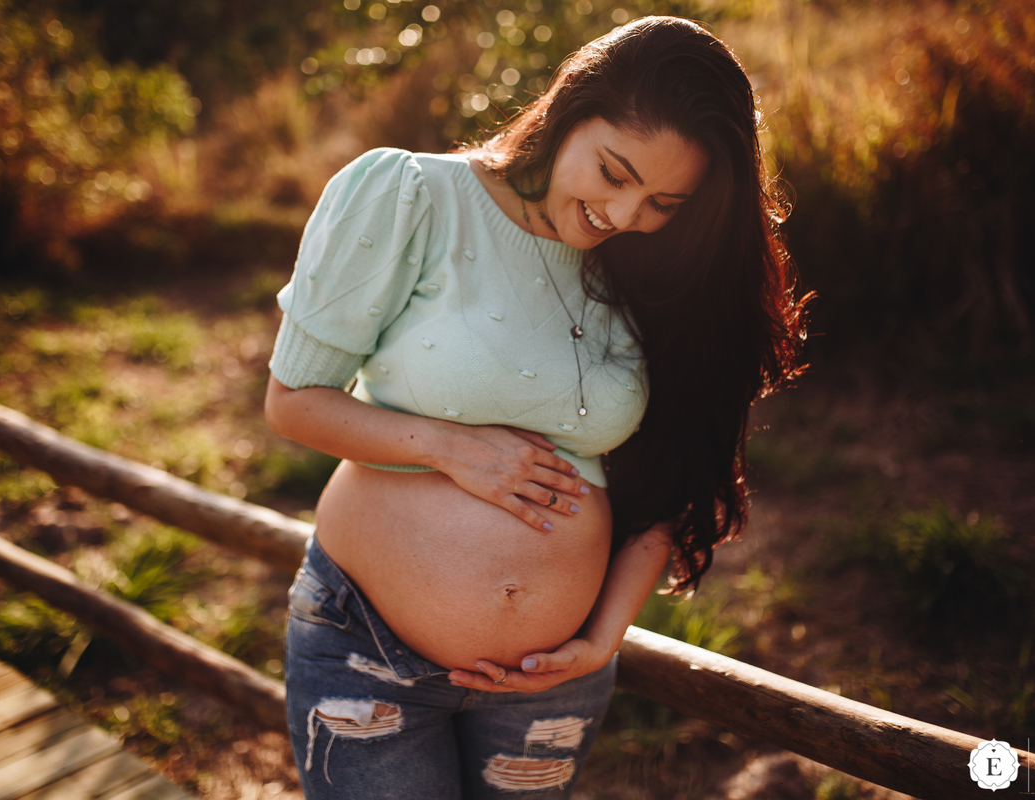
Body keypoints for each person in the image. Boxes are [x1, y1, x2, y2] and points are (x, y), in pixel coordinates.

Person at [264, 15, 808, 799]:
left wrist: (601, 639)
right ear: (567, 109)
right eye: (613, 174)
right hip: (366, 646)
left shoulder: (657, 272)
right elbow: (292, 404)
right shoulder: (412, 194)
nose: (622, 216)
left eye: (662, 201)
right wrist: (453, 449)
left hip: (552, 682)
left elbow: (671, 475)